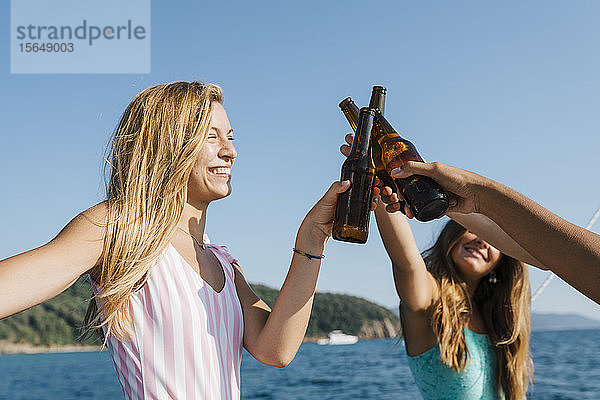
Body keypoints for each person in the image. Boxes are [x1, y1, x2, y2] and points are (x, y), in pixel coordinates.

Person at [0, 81, 370, 400]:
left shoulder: (224, 263)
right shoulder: (119, 228)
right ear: (167, 146)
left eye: (230, 137)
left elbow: (276, 349)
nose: (230, 151)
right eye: (211, 136)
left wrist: (313, 236)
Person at [388, 161, 600, 305]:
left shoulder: (499, 322)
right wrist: (385, 181)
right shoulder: (430, 300)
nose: (482, 242)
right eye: (473, 231)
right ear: (450, 236)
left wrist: (477, 194)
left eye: (493, 241)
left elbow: (543, 254)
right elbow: (405, 264)